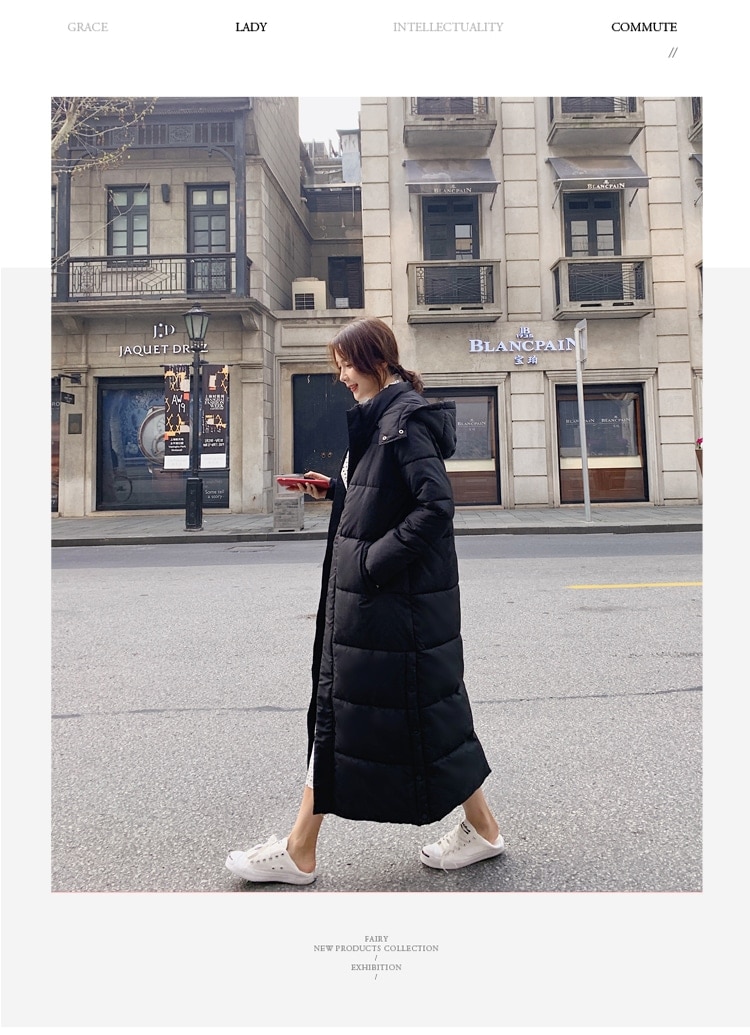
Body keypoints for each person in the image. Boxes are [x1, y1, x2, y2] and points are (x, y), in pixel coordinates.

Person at [226, 317, 504, 885]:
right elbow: (384, 495)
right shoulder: (384, 417)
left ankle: (300, 849)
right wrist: (335, 490)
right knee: (431, 716)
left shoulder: (403, 422)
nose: (342, 377)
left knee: (344, 714)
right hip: (389, 605)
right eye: (338, 368)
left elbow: (434, 506)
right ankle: (484, 829)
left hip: (391, 604)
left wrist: (373, 563)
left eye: (347, 365)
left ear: (377, 360)